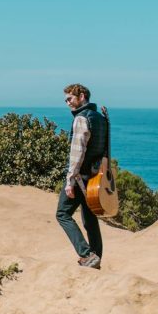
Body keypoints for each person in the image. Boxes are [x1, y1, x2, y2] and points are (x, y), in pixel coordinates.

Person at [57, 83, 107, 269]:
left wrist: (70, 181)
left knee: (62, 213)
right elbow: (104, 150)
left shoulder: (81, 118)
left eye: (70, 98)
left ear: (82, 96)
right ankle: (96, 258)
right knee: (90, 219)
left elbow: (77, 153)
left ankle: (87, 255)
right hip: (94, 178)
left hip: (79, 178)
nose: (67, 102)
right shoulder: (101, 118)